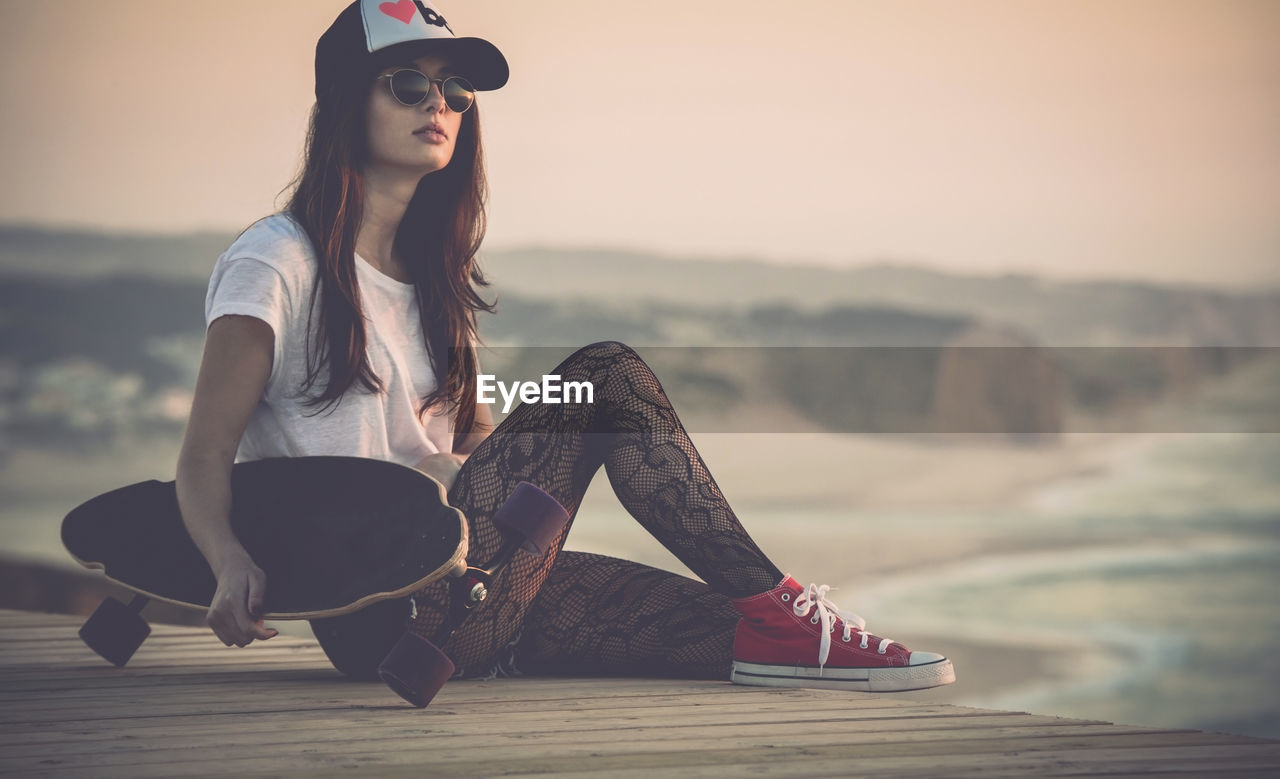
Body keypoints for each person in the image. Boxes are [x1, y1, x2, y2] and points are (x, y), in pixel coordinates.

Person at [174, 0, 955, 692]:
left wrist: (477, 474)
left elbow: (474, 437)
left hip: (472, 583)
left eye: (455, 89)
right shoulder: (277, 260)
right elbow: (205, 455)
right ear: (347, 98)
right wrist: (229, 562)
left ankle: (783, 623)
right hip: (378, 607)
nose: (438, 104)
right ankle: (789, 607)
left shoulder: (435, 276)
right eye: (409, 84)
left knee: (731, 630)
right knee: (604, 376)